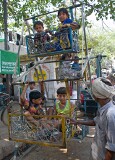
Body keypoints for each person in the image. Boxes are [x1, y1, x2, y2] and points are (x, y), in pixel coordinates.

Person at [70, 77, 115, 160]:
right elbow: (96, 121)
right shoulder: (103, 108)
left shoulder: (110, 114)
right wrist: (77, 122)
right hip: (96, 153)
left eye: (93, 91)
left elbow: (111, 149)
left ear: (97, 95)